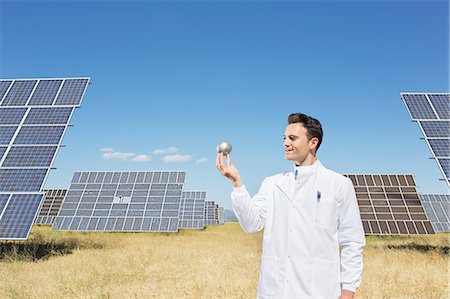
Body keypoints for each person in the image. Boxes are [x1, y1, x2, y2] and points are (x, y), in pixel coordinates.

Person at [216, 113, 365, 299]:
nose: (285, 143)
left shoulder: (339, 185)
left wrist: (348, 290)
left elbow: (353, 241)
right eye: (284, 138)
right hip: (275, 290)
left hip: (320, 290)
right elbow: (251, 224)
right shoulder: (272, 184)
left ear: (313, 143)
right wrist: (237, 183)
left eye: (292, 138)